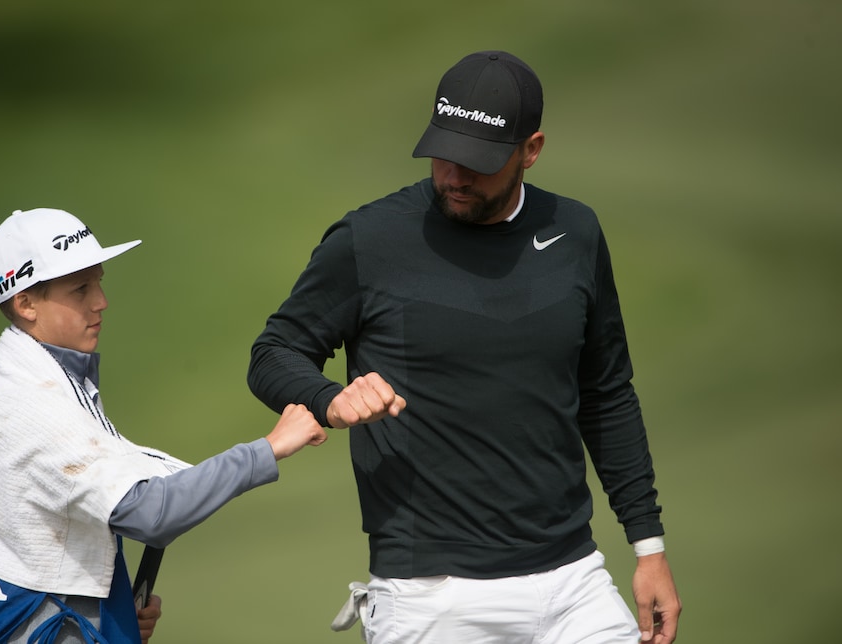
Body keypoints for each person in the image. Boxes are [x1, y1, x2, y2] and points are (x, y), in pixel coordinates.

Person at [247, 51, 681, 643]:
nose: (454, 176)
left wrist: (648, 546)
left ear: (531, 150)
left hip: (575, 580)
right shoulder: (370, 238)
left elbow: (605, 392)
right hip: (432, 597)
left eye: (477, 162)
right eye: (444, 153)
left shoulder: (575, 232)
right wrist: (329, 398)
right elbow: (273, 352)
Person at [0, 207, 327, 643]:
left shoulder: (50, 392)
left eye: (99, 282)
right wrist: (270, 447)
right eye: (80, 288)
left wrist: (114, 615)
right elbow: (152, 513)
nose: (101, 301)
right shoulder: (31, 414)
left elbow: (42, 549)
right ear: (25, 303)